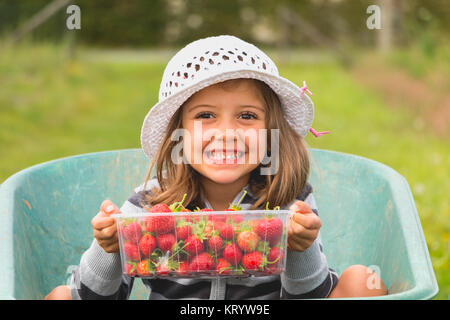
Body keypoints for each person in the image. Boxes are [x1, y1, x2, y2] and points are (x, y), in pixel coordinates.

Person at [45, 35, 386, 300]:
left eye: (247, 116)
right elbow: (91, 295)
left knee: (360, 282)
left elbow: (311, 295)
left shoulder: (289, 202)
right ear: (177, 133)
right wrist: (111, 248)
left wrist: (301, 247)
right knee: (61, 295)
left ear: (272, 132)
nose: (226, 134)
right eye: (205, 116)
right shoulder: (150, 206)